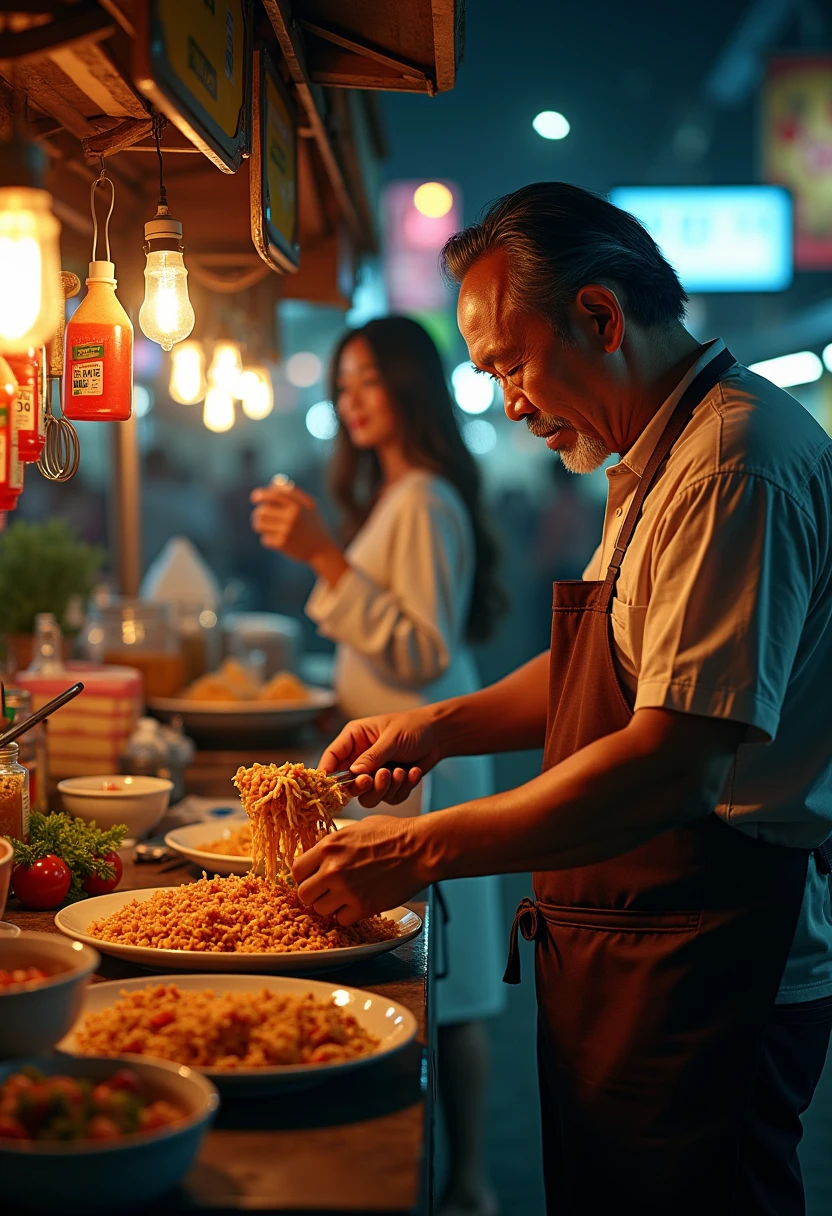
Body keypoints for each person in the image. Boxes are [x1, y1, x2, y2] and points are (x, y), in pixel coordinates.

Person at [288, 184, 832, 1216]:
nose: (507, 400)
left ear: (599, 317)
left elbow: (674, 758)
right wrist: (437, 725)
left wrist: (417, 847)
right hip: (636, 942)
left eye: (508, 363)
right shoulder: (655, 455)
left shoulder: (731, 465)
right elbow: (618, 667)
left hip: (711, 952)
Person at [250, 316, 508, 1216]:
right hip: (389, 759)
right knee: (426, 967)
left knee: (456, 983)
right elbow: (391, 647)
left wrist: (322, 552)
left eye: (368, 381)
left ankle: (469, 1180)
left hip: (427, 768)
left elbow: (422, 651)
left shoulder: (426, 498)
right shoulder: (402, 496)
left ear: (409, 387)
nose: (350, 400)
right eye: (343, 383)